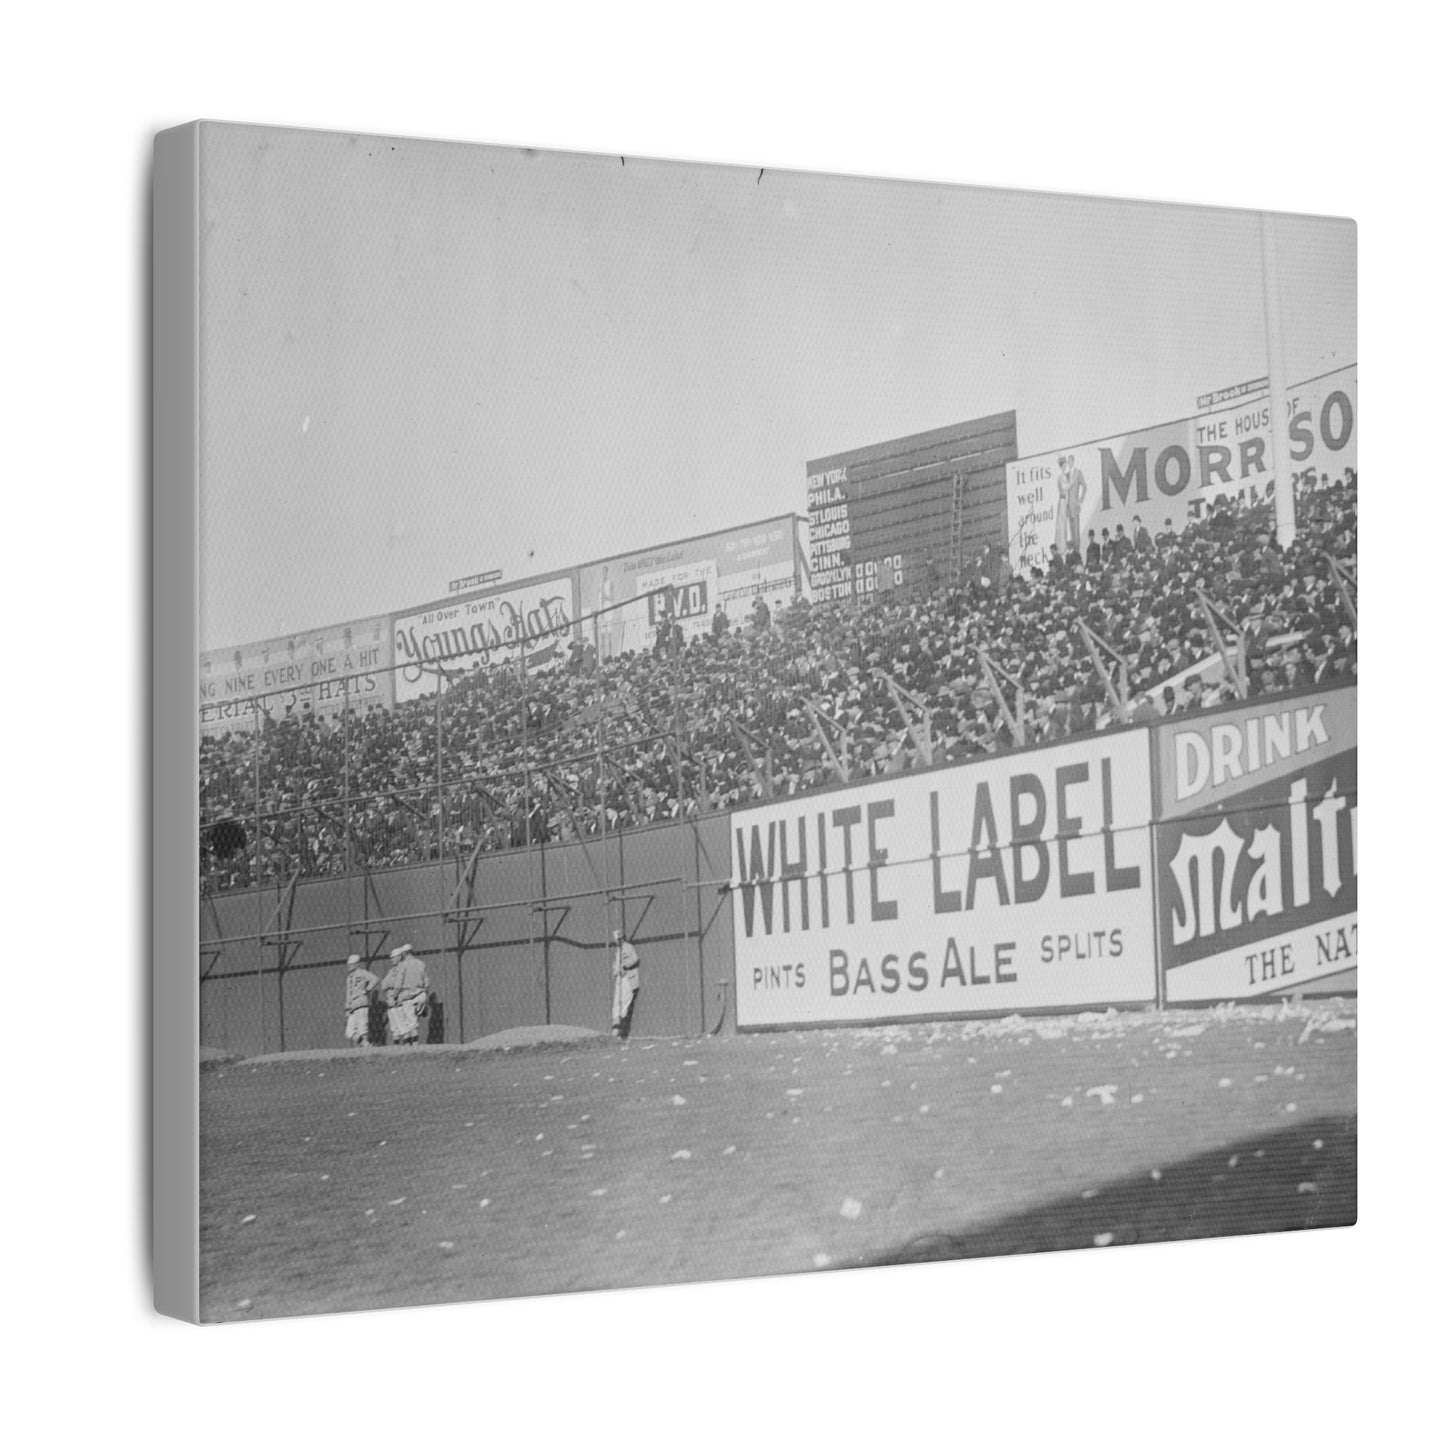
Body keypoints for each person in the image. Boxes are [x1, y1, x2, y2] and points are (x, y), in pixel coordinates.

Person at [381, 943, 431, 1045]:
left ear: (403, 954)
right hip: (421, 994)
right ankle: (421, 1007)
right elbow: (427, 982)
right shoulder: (421, 963)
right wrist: (425, 994)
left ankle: (414, 1045)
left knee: (411, 1023)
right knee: (414, 1016)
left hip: (408, 995)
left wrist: (395, 996)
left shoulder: (403, 965)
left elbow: (398, 984)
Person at [342, 954, 379, 1048]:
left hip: (361, 1003)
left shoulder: (362, 972)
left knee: (362, 1027)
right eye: (348, 964)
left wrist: (366, 989)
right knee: (349, 1032)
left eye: (351, 964)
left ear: (356, 964)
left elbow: (375, 979)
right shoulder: (349, 978)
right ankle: (366, 1045)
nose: (348, 966)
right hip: (352, 1006)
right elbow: (348, 994)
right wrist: (347, 1008)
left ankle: (365, 1046)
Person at [610, 929, 640, 1040]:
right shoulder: (617, 950)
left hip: (627, 979)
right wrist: (615, 970)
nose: (618, 941)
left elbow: (635, 959)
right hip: (619, 979)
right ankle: (615, 1031)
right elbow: (615, 965)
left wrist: (624, 966)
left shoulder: (628, 947)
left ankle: (621, 1034)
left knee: (624, 1005)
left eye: (619, 939)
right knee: (616, 1004)